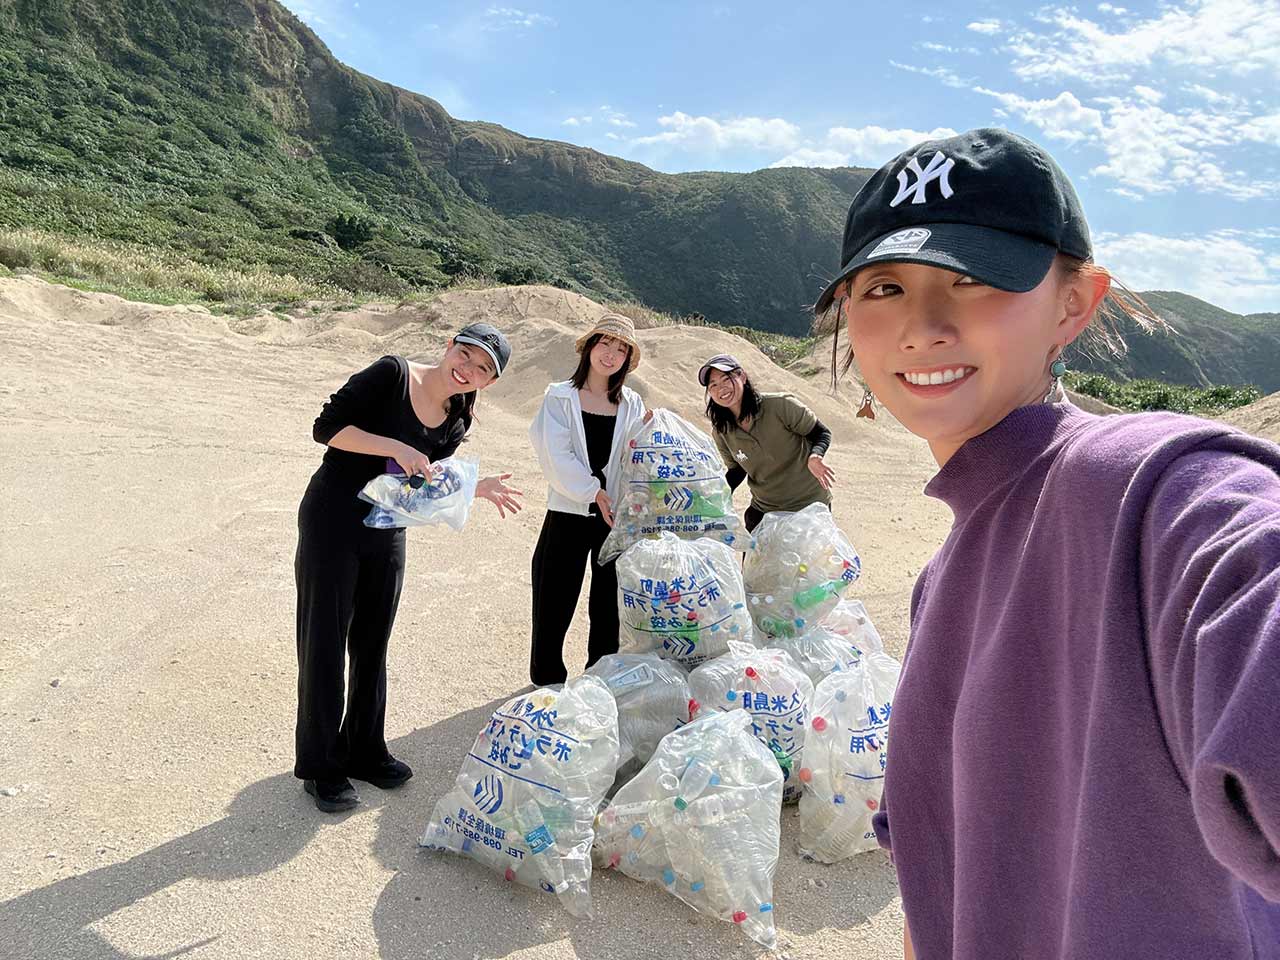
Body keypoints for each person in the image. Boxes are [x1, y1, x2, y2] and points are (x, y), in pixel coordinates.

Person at [814, 128, 1280, 959]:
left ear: (1075, 302)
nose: (921, 327)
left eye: (973, 280)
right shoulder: (946, 574)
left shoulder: (1150, 490)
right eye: (883, 286)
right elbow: (944, 881)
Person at [294, 323, 524, 812]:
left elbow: (422, 485)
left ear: (489, 382)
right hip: (333, 518)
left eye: (483, 369)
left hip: (386, 527)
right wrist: (393, 446)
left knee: (374, 640)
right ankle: (321, 766)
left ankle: (363, 749)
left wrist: (471, 488)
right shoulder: (392, 375)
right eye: (466, 355)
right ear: (449, 347)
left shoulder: (456, 420)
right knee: (325, 641)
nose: (468, 370)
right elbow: (326, 428)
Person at [527, 314, 647, 686]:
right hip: (568, 509)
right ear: (589, 347)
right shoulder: (559, 397)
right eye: (605, 344)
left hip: (614, 516)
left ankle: (600, 674)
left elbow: (636, 454)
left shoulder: (631, 403)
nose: (611, 354)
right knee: (554, 596)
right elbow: (555, 455)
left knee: (608, 600)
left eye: (620, 348)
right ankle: (547, 678)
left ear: (627, 359)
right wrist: (592, 492)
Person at [699, 353, 835, 532]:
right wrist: (718, 495)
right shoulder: (721, 431)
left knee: (811, 559)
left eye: (726, 379)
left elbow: (821, 433)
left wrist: (815, 456)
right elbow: (737, 469)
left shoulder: (780, 405)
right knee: (754, 558)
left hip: (809, 504)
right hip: (766, 509)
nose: (721, 388)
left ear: (742, 376)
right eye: (713, 385)